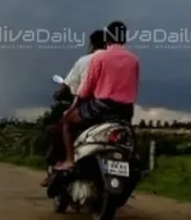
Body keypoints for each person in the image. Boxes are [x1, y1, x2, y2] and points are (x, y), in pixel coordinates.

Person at [54, 20, 139, 171]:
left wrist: (76, 103)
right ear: (124, 38)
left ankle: (69, 160)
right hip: (126, 110)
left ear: (108, 37)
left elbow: (87, 88)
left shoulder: (100, 58)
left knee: (68, 121)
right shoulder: (133, 59)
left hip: (102, 107)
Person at [41, 30, 107, 186]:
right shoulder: (116, 61)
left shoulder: (85, 61)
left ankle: (62, 163)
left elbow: (69, 85)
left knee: (61, 128)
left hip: (88, 106)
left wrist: (59, 94)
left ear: (92, 44)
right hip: (115, 108)